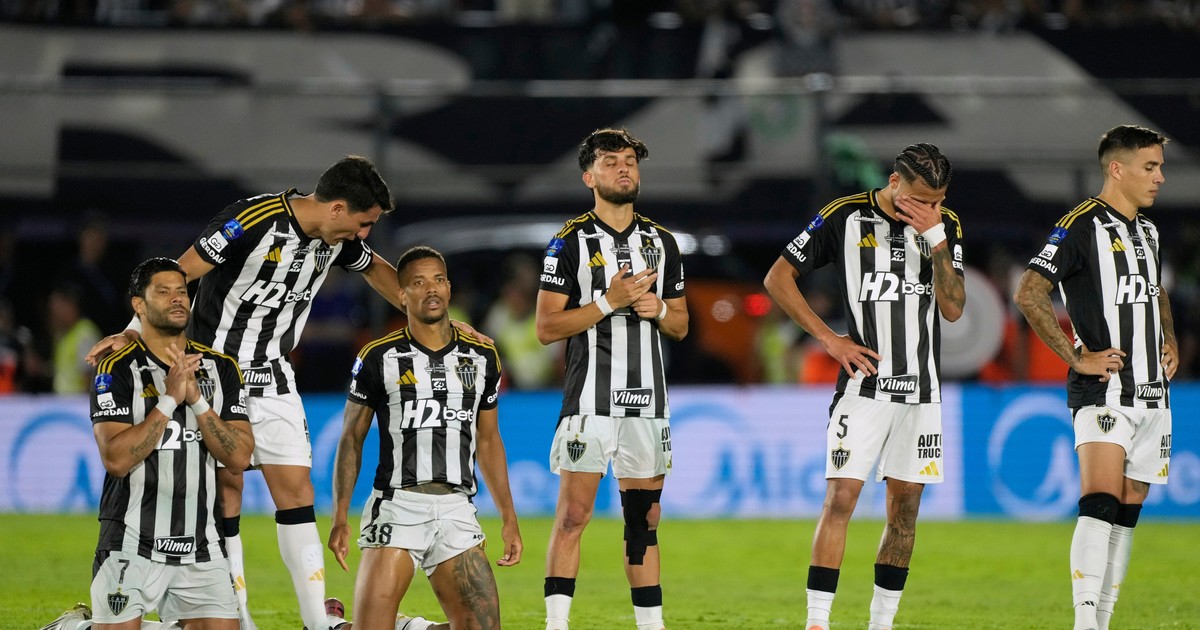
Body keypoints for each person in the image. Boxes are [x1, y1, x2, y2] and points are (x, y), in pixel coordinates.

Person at [86, 156, 484, 630]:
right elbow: (180, 272)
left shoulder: (338, 240)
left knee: (296, 491)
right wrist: (132, 330)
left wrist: (435, 321)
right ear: (337, 209)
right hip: (214, 373)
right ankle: (239, 617)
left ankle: (317, 621)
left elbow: (379, 270)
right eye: (364, 223)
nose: (364, 234)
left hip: (274, 375)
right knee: (226, 493)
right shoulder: (250, 220)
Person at [763, 143, 964, 630]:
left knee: (905, 513)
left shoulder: (946, 226)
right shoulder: (845, 216)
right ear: (894, 183)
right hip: (865, 388)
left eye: (938, 200)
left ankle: (881, 623)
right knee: (841, 500)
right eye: (921, 199)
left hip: (922, 394)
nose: (930, 208)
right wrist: (829, 339)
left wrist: (937, 239)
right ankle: (817, 622)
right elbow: (777, 278)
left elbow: (954, 308)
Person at [1014, 125, 1176, 630]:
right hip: (1104, 390)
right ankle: (1085, 623)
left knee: (1127, 512)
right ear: (1117, 169)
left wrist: (1169, 339)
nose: (1160, 177)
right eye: (1150, 167)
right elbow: (1028, 292)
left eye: (1159, 167)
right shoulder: (1080, 226)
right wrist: (1075, 356)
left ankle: (1102, 621)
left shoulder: (1148, 232)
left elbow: (1155, 291)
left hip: (1154, 393)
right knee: (1100, 503)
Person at [538, 128, 688, 630]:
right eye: (610, 161)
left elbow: (681, 324)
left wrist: (658, 308)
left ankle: (652, 626)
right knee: (573, 516)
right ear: (589, 177)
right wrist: (609, 301)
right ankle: (556, 624)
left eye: (629, 161)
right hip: (589, 404)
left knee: (643, 521)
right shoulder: (569, 241)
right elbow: (546, 327)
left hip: (647, 404)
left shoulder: (662, 242)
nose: (624, 168)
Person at [327, 246, 523, 630]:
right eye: (418, 282)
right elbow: (351, 438)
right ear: (402, 295)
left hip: (456, 509)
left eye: (438, 280)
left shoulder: (482, 356)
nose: (431, 289)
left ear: (448, 288)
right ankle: (330, 625)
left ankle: (407, 626)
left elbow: (488, 440)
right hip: (398, 507)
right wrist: (340, 516)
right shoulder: (378, 357)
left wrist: (509, 517)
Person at [88, 257, 255, 629]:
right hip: (131, 540)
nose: (177, 298)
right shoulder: (116, 368)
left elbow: (239, 457)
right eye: (163, 292)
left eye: (182, 291)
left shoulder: (221, 367)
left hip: (202, 546)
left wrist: (196, 400)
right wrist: (169, 400)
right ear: (139, 305)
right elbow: (116, 460)